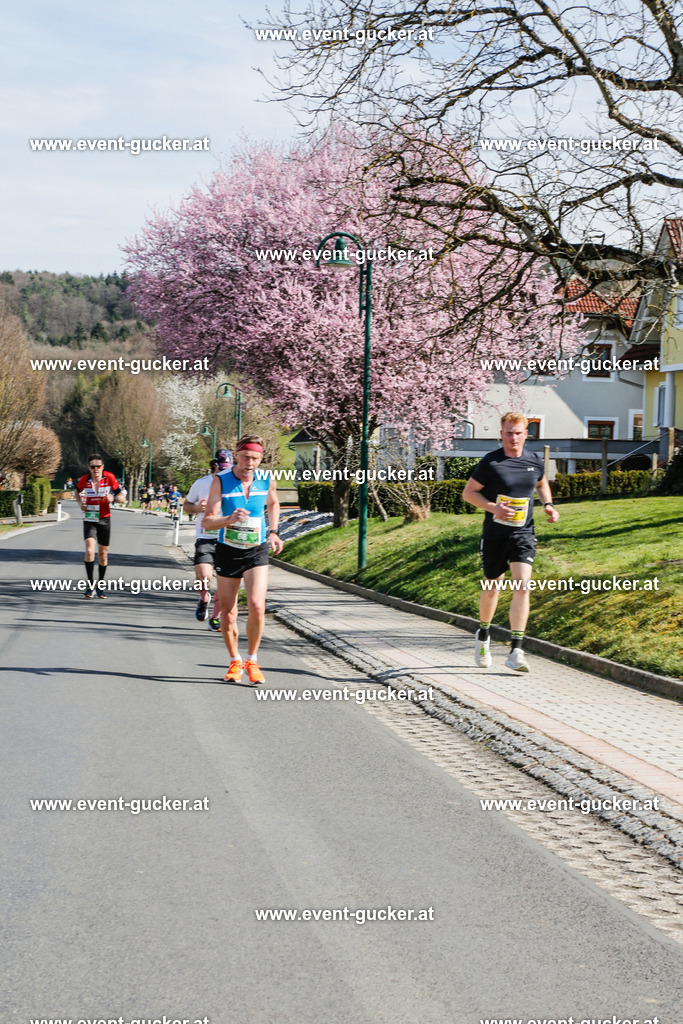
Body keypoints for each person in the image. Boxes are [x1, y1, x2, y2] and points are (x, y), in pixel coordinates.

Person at [462, 412, 560, 672]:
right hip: (495, 535)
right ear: (501, 434)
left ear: (526, 434)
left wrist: (548, 505)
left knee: (522, 586)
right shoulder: (491, 462)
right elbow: (468, 493)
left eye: (518, 433)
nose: (513, 438)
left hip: (523, 533)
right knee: (492, 587)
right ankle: (484, 633)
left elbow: (541, 484)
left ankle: (517, 650)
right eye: (508, 433)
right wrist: (493, 507)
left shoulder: (534, 460)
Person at [203, 437, 283, 683]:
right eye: (246, 457)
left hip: (256, 550)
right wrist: (229, 519)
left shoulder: (267, 479)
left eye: (255, 458)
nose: (250, 463)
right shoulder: (220, 481)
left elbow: (273, 503)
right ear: (236, 456)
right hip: (228, 550)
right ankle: (235, 661)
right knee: (228, 613)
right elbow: (207, 521)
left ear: (261, 459)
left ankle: (252, 660)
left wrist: (274, 531)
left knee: (257, 606)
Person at [183, 454, 231, 630]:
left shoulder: (235, 483)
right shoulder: (201, 483)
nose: (225, 472)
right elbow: (186, 505)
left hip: (227, 538)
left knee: (224, 582)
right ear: (215, 465)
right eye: (222, 468)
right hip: (205, 537)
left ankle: (215, 618)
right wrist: (196, 508)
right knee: (204, 576)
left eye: (228, 468)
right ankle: (203, 599)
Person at [75, 454, 125, 598]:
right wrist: (81, 504)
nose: (96, 469)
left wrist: (113, 498)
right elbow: (77, 492)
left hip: (104, 518)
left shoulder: (109, 478)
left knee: (103, 554)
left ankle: (100, 586)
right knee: (89, 550)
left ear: (102, 467)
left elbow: (122, 498)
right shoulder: (84, 480)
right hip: (90, 518)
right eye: (93, 467)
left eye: (98, 466)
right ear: (89, 468)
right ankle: (90, 585)